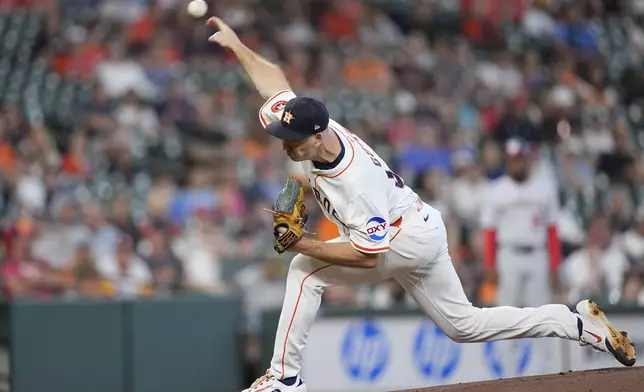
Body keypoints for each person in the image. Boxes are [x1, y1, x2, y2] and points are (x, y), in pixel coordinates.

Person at [206, 16, 636, 392]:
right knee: (464, 326)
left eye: (293, 141)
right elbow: (276, 82)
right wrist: (238, 46)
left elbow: (366, 258)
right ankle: (577, 325)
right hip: (417, 224)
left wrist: (302, 246)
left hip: (402, 237)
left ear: (317, 136)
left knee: (304, 272)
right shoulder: (317, 127)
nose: (285, 147)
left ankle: (284, 379)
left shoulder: (356, 183)